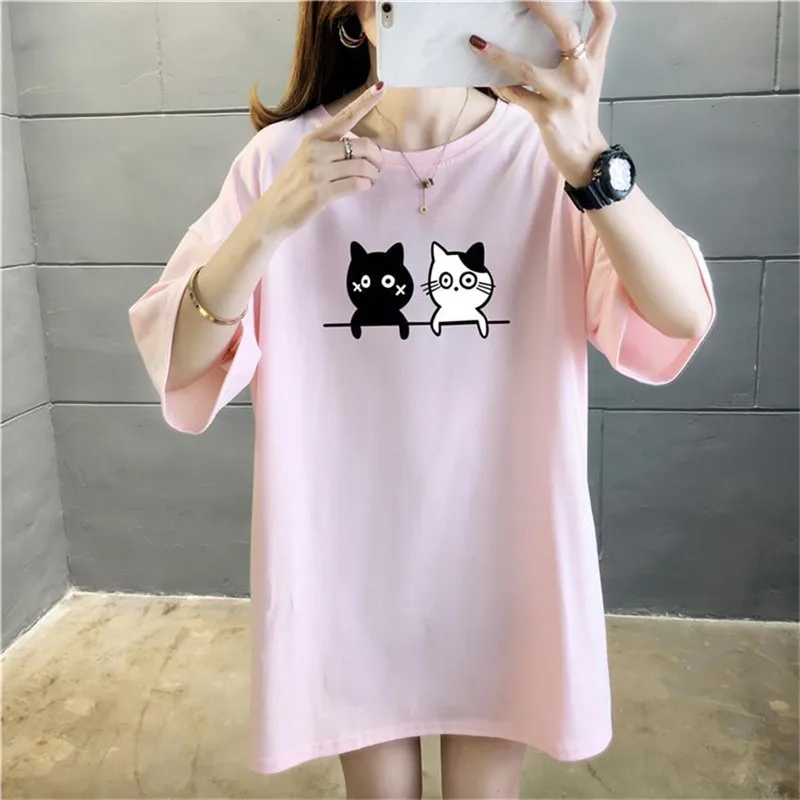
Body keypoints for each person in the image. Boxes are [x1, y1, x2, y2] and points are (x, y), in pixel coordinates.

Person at [129, 0, 715, 796]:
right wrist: (268, 224)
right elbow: (177, 358)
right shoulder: (281, 163)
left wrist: (588, 156)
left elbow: (682, 316)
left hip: (502, 553)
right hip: (346, 564)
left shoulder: (548, 155)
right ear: (353, 15)